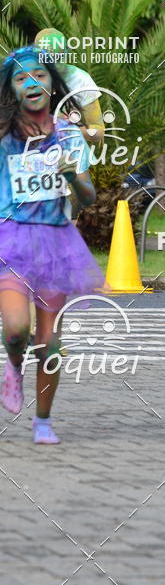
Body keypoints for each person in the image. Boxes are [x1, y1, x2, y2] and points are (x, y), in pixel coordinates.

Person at [0, 47, 105, 443]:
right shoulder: (3, 133)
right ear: (11, 88)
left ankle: (43, 419)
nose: (32, 83)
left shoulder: (67, 133)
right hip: (9, 236)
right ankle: (13, 365)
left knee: (49, 342)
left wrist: (72, 176)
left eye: (40, 76)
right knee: (15, 329)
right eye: (22, 77)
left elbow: (88, 197)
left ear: (52, 83)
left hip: (55, 240)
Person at [34, 28, 105, 146]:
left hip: (68, 158)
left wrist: (67, 132)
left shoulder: (81, 80)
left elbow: (99, 131)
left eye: (58, 59)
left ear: (66, 54)